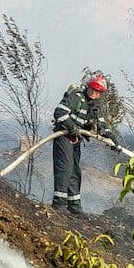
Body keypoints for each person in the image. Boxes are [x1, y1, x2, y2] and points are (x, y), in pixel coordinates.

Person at [51, 72, 112, 215]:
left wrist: (110, 137)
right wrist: (72, 127)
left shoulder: (95, 106)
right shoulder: (76, 97)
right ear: (88, 87)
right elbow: (59, 112)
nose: (95, 93)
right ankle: (59, 205)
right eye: (93, 89)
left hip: (76, 140)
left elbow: (101, 124)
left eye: (98, 92)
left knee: (75, 172)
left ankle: (74, 207)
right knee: (64, 169)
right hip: (64, 136)